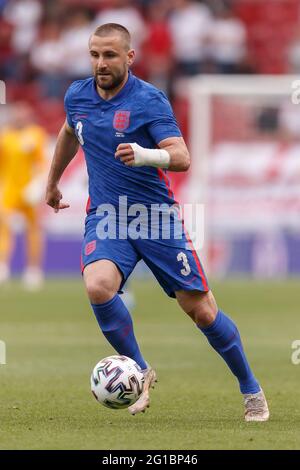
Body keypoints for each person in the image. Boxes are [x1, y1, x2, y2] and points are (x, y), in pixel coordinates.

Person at [46, 23, 269, 421]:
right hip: (107, 216)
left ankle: (251, 388)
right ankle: (141, 370)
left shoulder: (149, 100)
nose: (101, 63)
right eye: (95, 54)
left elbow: (182, 157)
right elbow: (68, 131)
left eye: (110, 55)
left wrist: (146, 154)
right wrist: (53, 183)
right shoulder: (76, 95)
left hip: (155, 218)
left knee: (200, 311)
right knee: (98, 287)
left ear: (129, 57)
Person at [0, 102, 46, 289]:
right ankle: (3, 266)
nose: (19, 116)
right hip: (9, 190)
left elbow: (42, 162)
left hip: (30, 191)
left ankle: (33, 270)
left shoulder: (36, 134)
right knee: (4, 228)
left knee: (34, 229)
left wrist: (38, 185)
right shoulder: (5, 136)